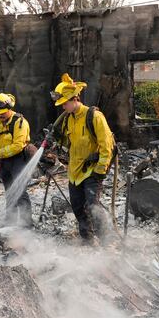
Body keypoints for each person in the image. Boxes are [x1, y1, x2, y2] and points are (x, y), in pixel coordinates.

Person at [50, 73, 114, 242]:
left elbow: (106, 144)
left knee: (93, 206)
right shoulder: (68, 120)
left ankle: (106, 241)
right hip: (74, 171)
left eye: (65, 104)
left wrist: (101, 168)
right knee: (78, 207)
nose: (63, 107)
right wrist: (55, 138)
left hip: (92, 170)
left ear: (74, 99)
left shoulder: (94, 117)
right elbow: (67, 143)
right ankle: (88, 240)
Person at [0, 93, 33, 227]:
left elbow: (18, 146)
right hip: (5, 162)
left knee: (20, 191)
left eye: (2, 114)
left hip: (19, 160)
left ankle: (26, 224)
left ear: (9, 109)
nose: (0, 117)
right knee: (9, 192)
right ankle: (10, 221)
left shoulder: (19, 122)